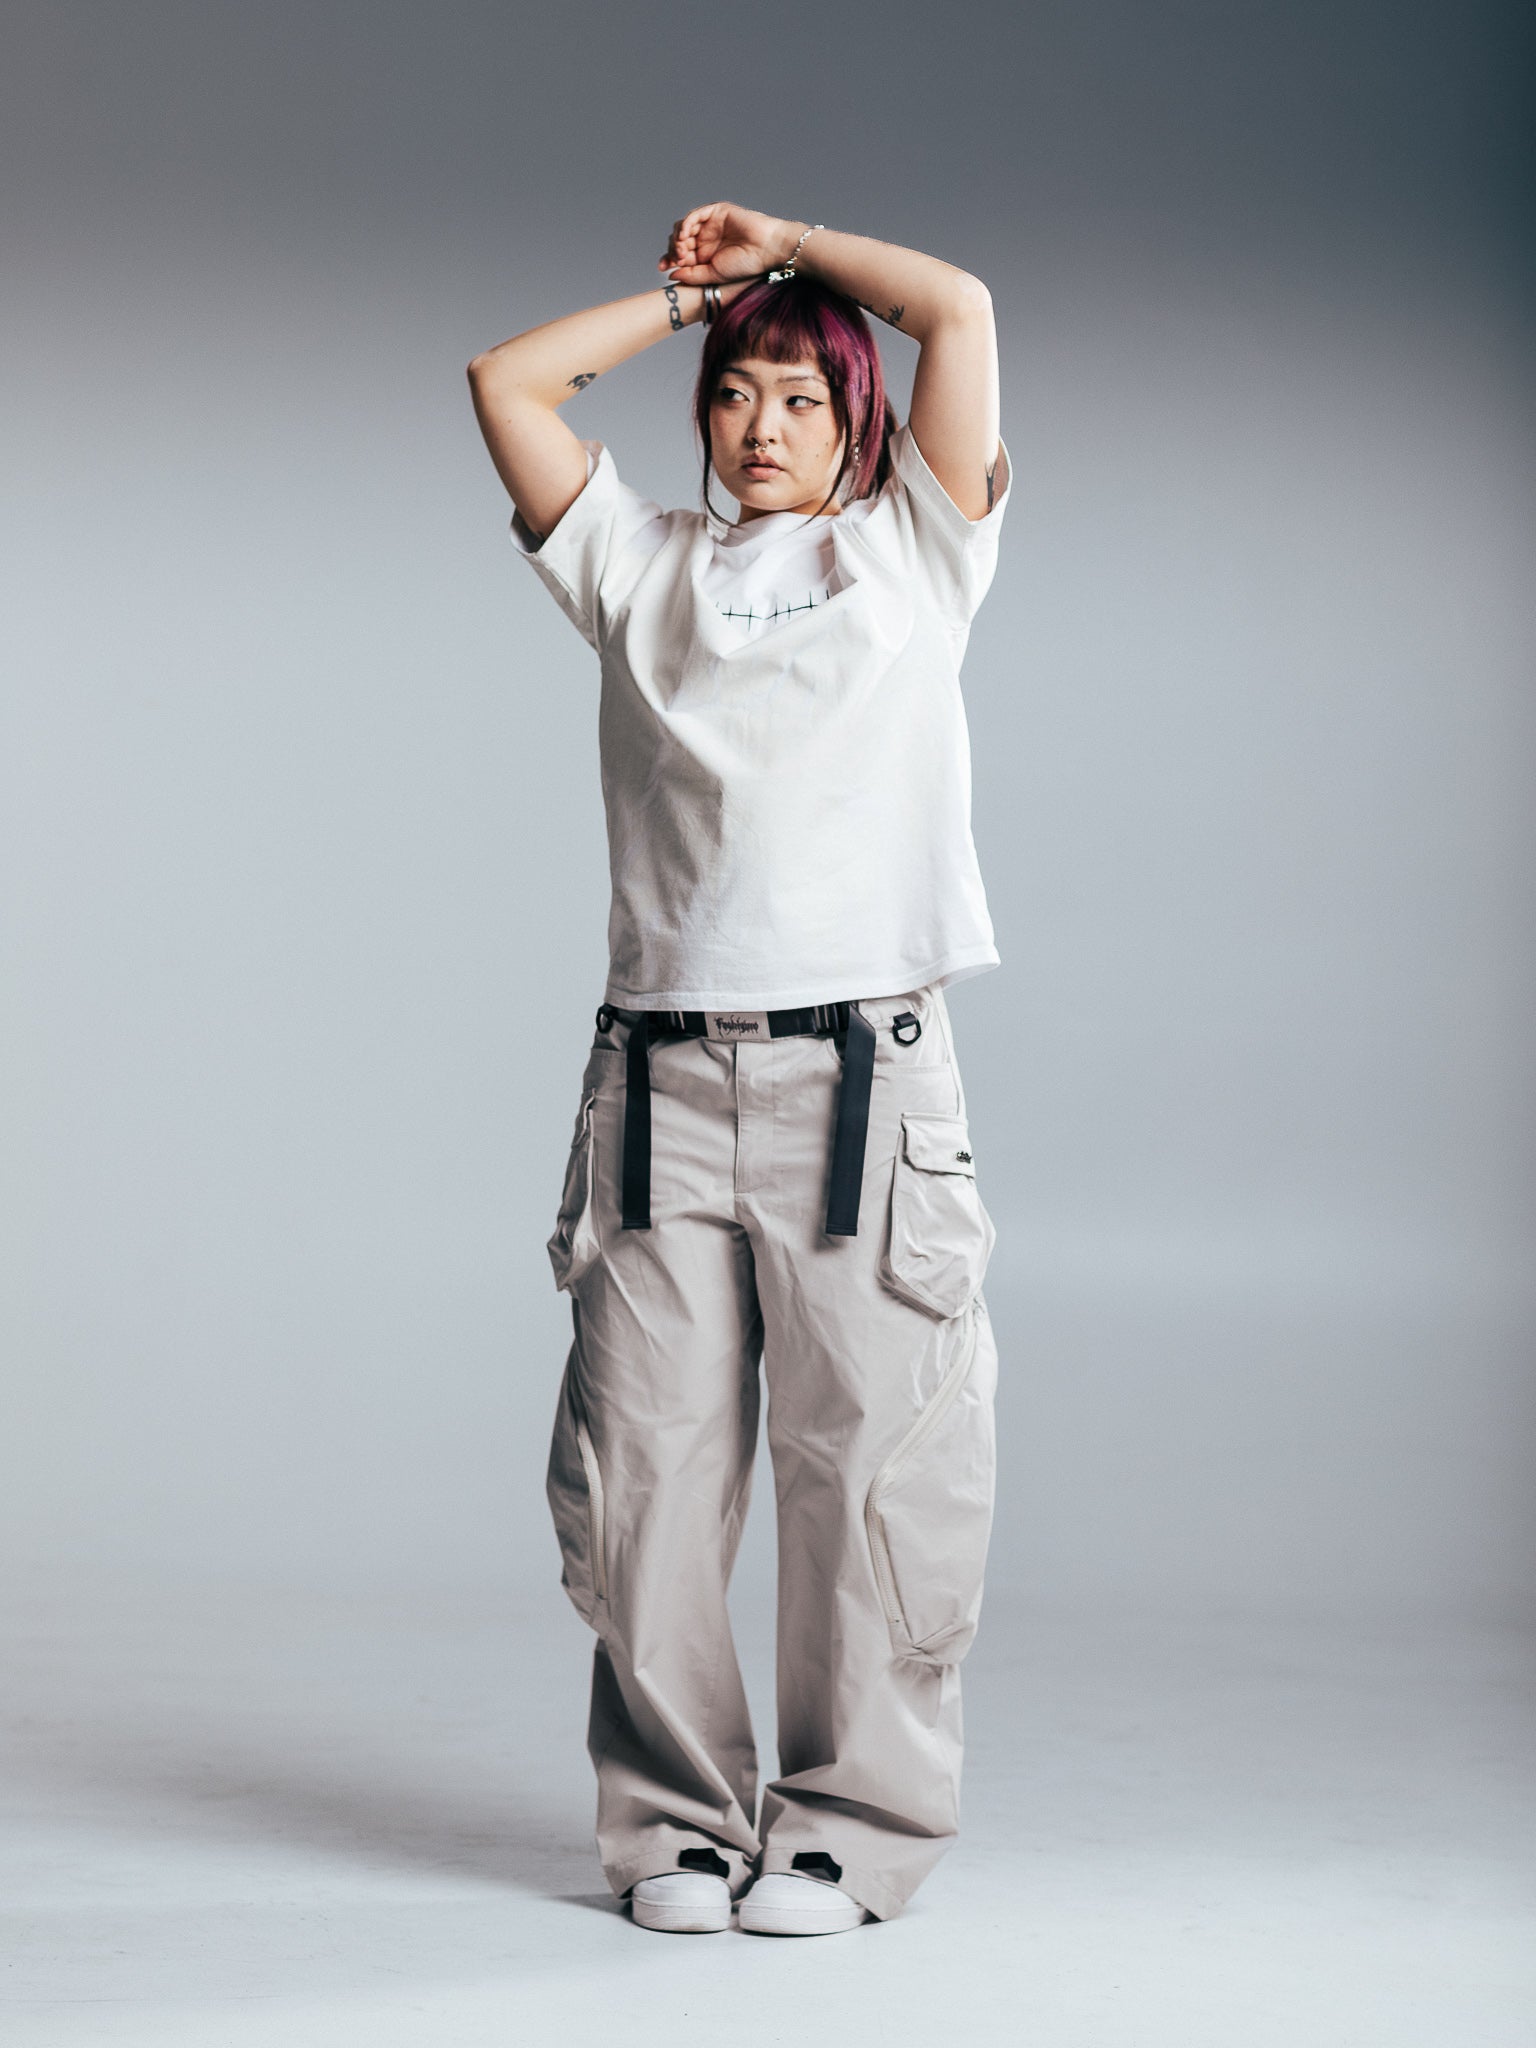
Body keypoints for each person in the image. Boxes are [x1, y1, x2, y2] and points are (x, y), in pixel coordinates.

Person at [467, 203, 1011, 1937]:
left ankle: (849, 1823)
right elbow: (508, 382)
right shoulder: (640, 567)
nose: (760, 425)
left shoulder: (917, 551)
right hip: (658, 1090)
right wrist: (693, 297)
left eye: (800, 395)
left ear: (859, 416)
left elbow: (959, 308)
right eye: (733, 392)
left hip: (867, 1086)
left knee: (876, 1474)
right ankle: (677, 1825)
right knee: (645, 1478)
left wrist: (794, 247)